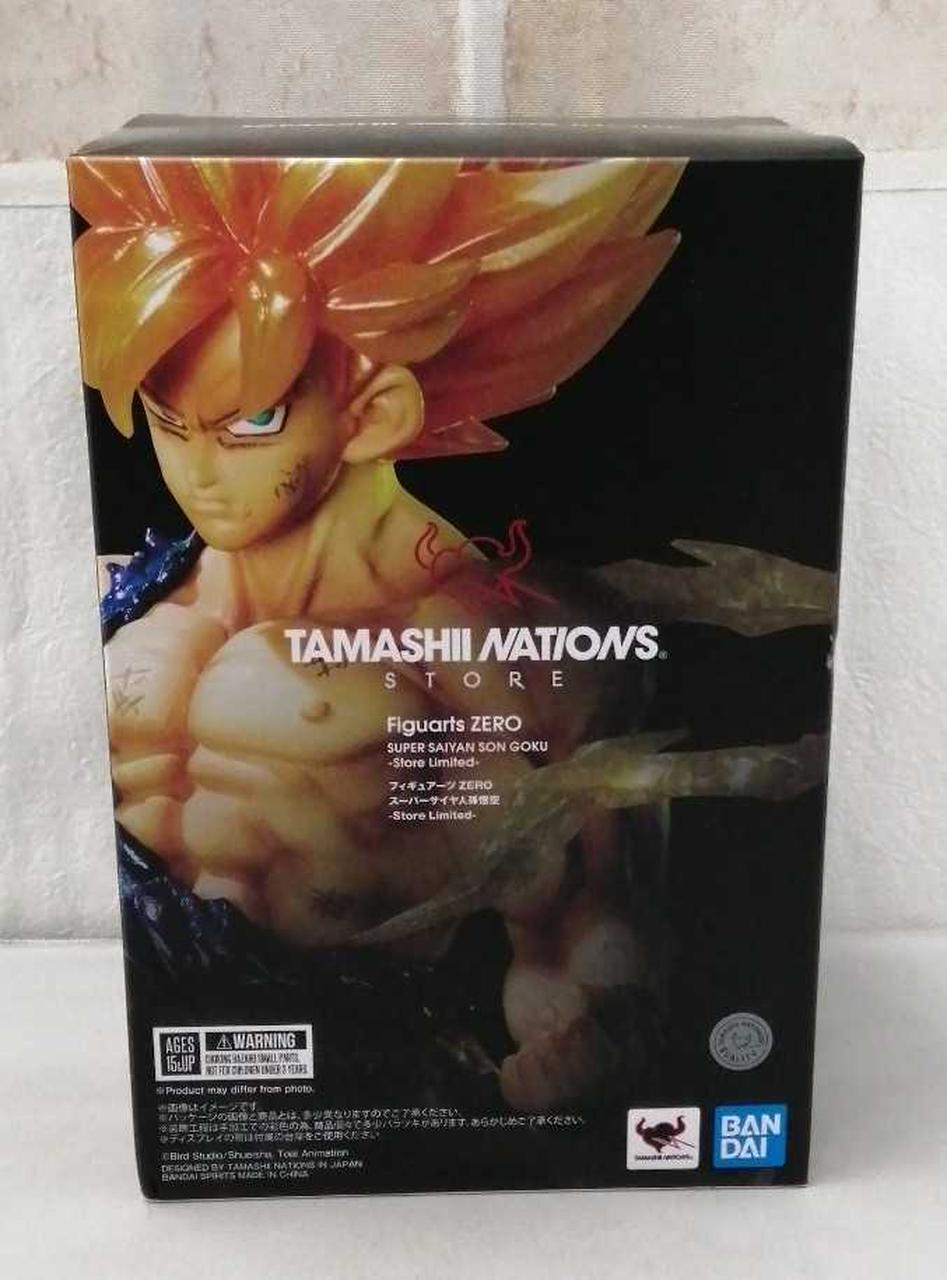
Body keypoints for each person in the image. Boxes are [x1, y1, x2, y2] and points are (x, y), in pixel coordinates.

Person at [72, 154, 685, 1111]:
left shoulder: (501, 650)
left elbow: (591, 944)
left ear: (373, 413)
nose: (198, 473)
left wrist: (579, 1060)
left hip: (356, 1094)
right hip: (160, 1093)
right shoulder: (123, 598)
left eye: (251, 422)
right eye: (165, 420)